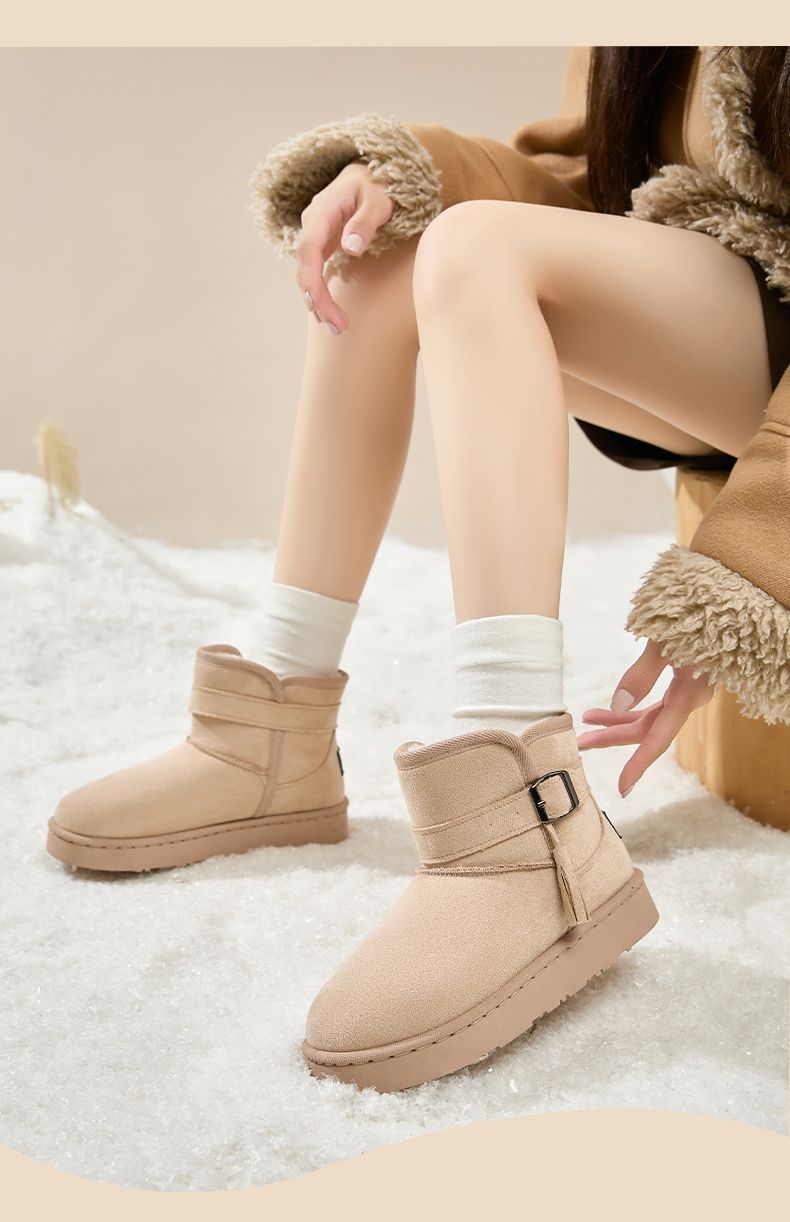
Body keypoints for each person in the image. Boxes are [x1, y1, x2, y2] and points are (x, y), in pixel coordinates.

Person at [47, 47, 790, 1091]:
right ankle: (275, 724)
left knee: (479, 248)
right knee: (390, 248)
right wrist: (413, 173)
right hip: (722, 320)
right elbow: (595, 185)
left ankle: (527, 826)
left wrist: (754, 560)